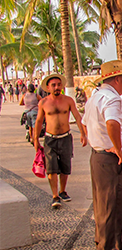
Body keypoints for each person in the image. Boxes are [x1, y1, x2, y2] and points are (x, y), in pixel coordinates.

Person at [82, 60, 122, 250]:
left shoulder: (95, 96)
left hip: (98, 155)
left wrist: (96, 140)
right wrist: (118, 148)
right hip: (109, 158)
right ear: (118, 79)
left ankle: (112, 241)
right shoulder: (112, 98)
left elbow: (85, 123)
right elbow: (112, 122)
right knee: (110, 203)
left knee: (105, 203)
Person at [34, 73, 87, 208]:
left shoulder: (68, 100)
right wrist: (35, 140)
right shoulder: (43, 103)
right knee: (51, 168)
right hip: (50, 139)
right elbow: (39, 121)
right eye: (53, 85)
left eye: (59, 85)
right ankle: (54, 196)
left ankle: (62, 191)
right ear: (48, 87)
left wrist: (83, 134)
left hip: (65, 138)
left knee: (65, 166)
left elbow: (77, 116)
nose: (57, 87)